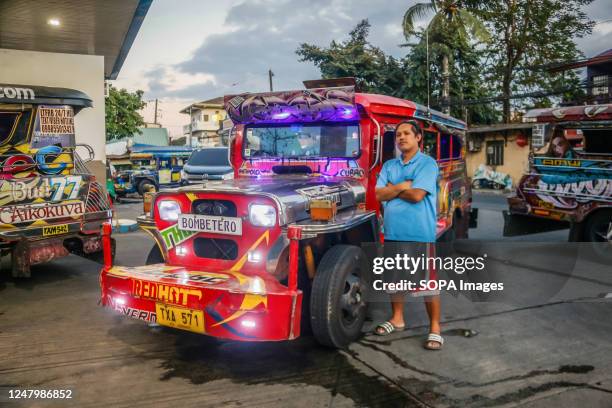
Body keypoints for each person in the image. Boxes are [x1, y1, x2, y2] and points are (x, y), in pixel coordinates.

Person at [374, 120, 443, 350]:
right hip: (393, 232)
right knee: (396, 281)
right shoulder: (389, 166)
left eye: (406, 133)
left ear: (418, 137)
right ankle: (397, 318)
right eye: (398, 134)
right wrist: (403, 185)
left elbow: (416, 196)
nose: (401, 137)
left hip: (419, 233)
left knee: (427, 284)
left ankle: (434, 328)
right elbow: (378, 195)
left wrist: (393, 189)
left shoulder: (427, 164)